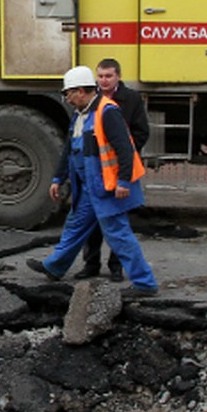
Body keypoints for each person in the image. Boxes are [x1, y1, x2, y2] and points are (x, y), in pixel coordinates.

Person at [26, 65, 158, 298]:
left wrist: (123, 182)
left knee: (119, 234)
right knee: (75, 226)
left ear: (80, 91)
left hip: (106, 187)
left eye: (68, 93)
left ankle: (145, 283)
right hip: (90, 187)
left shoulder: (108, 112)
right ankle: (54, 266)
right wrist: (59, 177)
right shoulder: (81, 114)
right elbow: (69, 150)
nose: (66, 98)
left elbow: (125, 150)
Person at [75, 58, 150, 282]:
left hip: (117, 170)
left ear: (118, 76)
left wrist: (121, 159)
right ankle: (91, 264)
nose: (104, 81)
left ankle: (116, 267)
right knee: (93, 220)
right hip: (94, 170)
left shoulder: (131, 100)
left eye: (108, 76)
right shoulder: (89, 99)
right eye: (100, 76)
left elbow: (141, 132)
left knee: (118, 221)